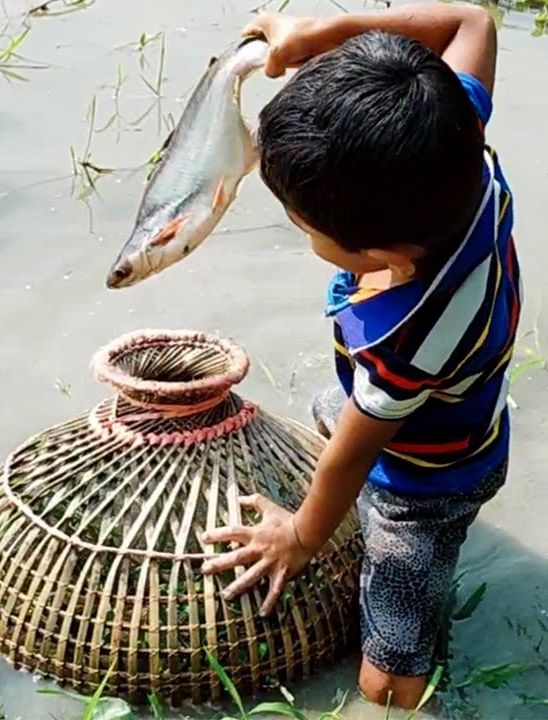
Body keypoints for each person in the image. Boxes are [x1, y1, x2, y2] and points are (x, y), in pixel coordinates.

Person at [200, 3, 520, 710]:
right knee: (335, 410)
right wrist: (320, 35)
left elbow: (351, 455)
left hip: (430, 480)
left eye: (302, 223)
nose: (298, 229)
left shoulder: (408, 337)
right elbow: (473, 22)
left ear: (381, 257)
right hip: (435, 404)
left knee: (389, 672)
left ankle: (402, 680)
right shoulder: (458, 143)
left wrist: (300, 536)